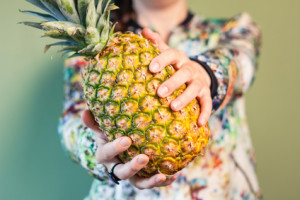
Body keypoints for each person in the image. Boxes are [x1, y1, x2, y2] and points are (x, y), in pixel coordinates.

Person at [58, 0, 262, 199]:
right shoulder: (92, 58)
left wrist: (203, 73)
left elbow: (238, 62)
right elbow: (72, 122)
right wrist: (101, 152)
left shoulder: (235, 29)